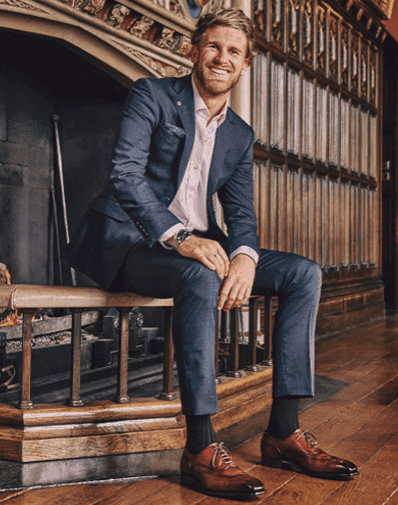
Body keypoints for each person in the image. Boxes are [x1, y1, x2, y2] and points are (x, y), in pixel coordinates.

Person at [65, 8, 357, 499]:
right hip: (132, 242)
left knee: (303, 273)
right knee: (198, 275)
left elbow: (241, 211)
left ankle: (283, 432)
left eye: (234, 52)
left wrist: (244, 255)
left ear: (245, 64)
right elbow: (126, 175)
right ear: (194, 51)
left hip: (201, 244)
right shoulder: (153, 95)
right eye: (215, 47)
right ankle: (200, 447)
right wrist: (180, 238)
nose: (223, 58)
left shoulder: (239, 133)